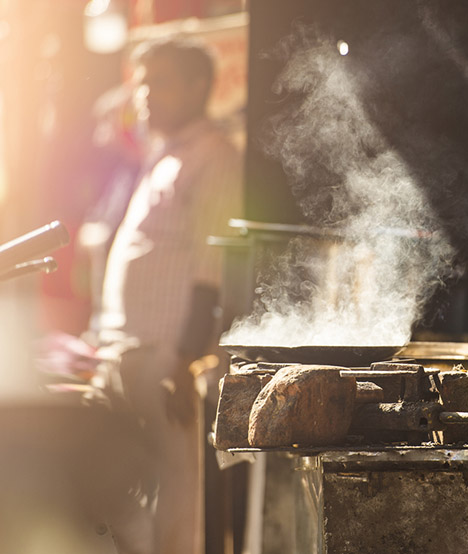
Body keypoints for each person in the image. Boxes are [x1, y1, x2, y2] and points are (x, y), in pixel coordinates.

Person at [95, 36, 243, 553]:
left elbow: (211, 269)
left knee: (176, 498)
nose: (145, 94)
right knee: (130, 499)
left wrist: (183, 361)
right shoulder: (164, 158)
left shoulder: (215, 157)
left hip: (167, 362)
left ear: (199, 86)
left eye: (160, 81)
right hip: (130, 353)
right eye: (142, 83)